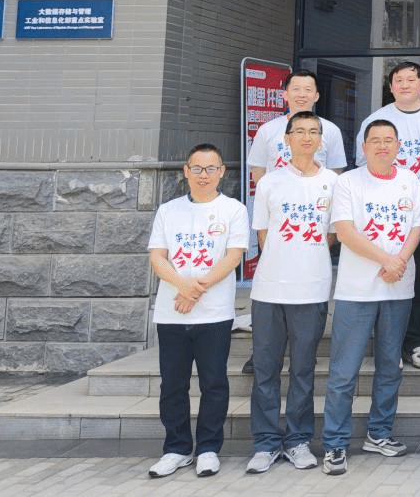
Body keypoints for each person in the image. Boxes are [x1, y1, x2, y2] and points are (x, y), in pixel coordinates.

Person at [319, 120, 420, 476]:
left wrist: (399, 261)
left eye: (388, 140)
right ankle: (335, 443)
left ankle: (379, 433)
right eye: (375, 140)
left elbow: (416, 227)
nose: (382, 146)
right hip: (356, 291)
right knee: (343, 372)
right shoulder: (348, 182)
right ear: (363, 147)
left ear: (398, 146)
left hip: (398, 288)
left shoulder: (410, 180)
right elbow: (345, 231)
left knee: (390, 367)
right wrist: (387, 261)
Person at [146, 144, 248, 479]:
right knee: (172, 385)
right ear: (186, 172)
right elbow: (158, 257)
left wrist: (195, 289)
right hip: (172, 314)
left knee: (214, 383)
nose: (204, 175)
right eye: (197, 169)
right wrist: (182, 285)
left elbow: (233, 257)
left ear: (222, 172)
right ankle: (176, 449)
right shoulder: (168, 210)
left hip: (214, 315)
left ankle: (207, 449)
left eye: (211, 168)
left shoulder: (233, 209)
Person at [246, 112, 336, 473]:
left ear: (320, 139)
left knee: (303, 370)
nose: (307, 137)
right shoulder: (270, 182)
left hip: (312, 289)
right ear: (287, 138)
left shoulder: (333, 182)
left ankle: (298, 440)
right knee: (266, 370)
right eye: (299, 131)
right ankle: (266, 443)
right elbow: (263, 234)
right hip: (269, 289)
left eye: (313, 131)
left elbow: (333, 233)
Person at [355, 61, 420, 370]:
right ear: (391, 86)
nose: (405, 84)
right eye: (399, 80)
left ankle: (416, 341)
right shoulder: (376, 120)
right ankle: (388, 344)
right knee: (384, 278)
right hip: (386, 218)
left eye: (412, 79)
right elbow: (363, 170)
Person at [247, 69, 348, 183]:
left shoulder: (331, 130)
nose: (302, 95)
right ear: (285, 95)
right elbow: (258, 170)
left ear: (316, 96)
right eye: (296, 89)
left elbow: (335, 171)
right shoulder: (267, 130)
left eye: (308, 90)